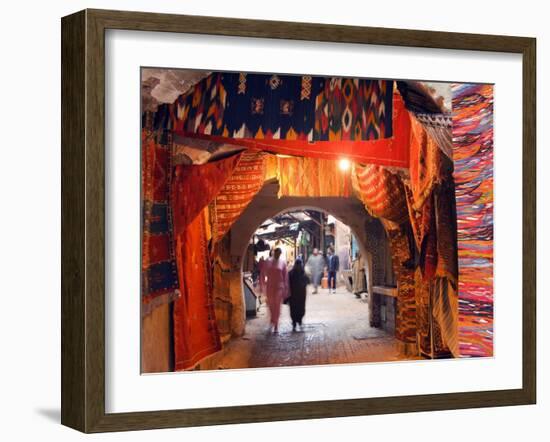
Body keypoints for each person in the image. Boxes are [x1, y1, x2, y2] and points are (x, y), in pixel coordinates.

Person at [259, 248, 289, 333]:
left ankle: (276, 323)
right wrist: (262, 285)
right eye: (277, 253)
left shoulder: (282, 263)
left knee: (277, 305)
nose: (278, 255)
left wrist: (286, 288)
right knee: (271, 305)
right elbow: (262, 273)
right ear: (274, 253)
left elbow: (285, 276)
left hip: (279, 286)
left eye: (279, 253)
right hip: (270, 286)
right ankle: (273, 319)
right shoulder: (268, 262)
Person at [288, 258, 310, 331]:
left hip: (294, 295)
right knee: (299, 308)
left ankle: (295, 321)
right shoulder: (302, 273)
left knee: (294, 308)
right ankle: (298, 321)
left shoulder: (291, 273)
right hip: (299, 295)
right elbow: (307, 281)